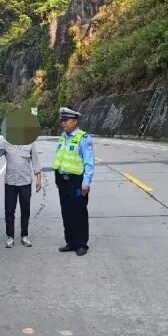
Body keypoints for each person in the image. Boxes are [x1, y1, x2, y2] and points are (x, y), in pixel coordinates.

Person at [53, 107, 95, 256]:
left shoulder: (84, 138)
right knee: (66, 212)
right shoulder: (63, 137)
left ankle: (81, 244)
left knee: (79, 212)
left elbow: (89, 163)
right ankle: (70, 242)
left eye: (66, 120)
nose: (62, 123)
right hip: (63, 182)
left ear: (75, 121)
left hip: (76, 182)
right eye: (62, 120)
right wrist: (57, 178)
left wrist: (86, 183)